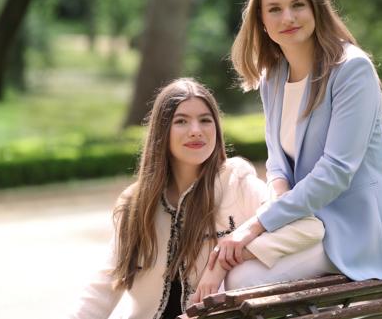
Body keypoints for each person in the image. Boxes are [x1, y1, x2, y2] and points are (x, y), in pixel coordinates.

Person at [213, 0, 382, 285]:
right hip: (304, 224)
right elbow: (278, 162)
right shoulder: (272, 76)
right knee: (221, 265)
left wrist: (256, 225)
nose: (288, 17)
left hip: (359, 231)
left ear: (316, 9)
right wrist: (276, 202)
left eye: (298, 5)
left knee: (243, 280)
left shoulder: (352, 70)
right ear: (261, 20)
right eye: (275, 9)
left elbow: (335, 171)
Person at [68, 78, 324, 319]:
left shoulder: (236, 180)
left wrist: (227, 258)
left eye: (205, 120)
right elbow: (104, 285)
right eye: (181, 121)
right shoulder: (136, 203)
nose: (195, 131)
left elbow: (308, 227)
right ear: (162, 131)